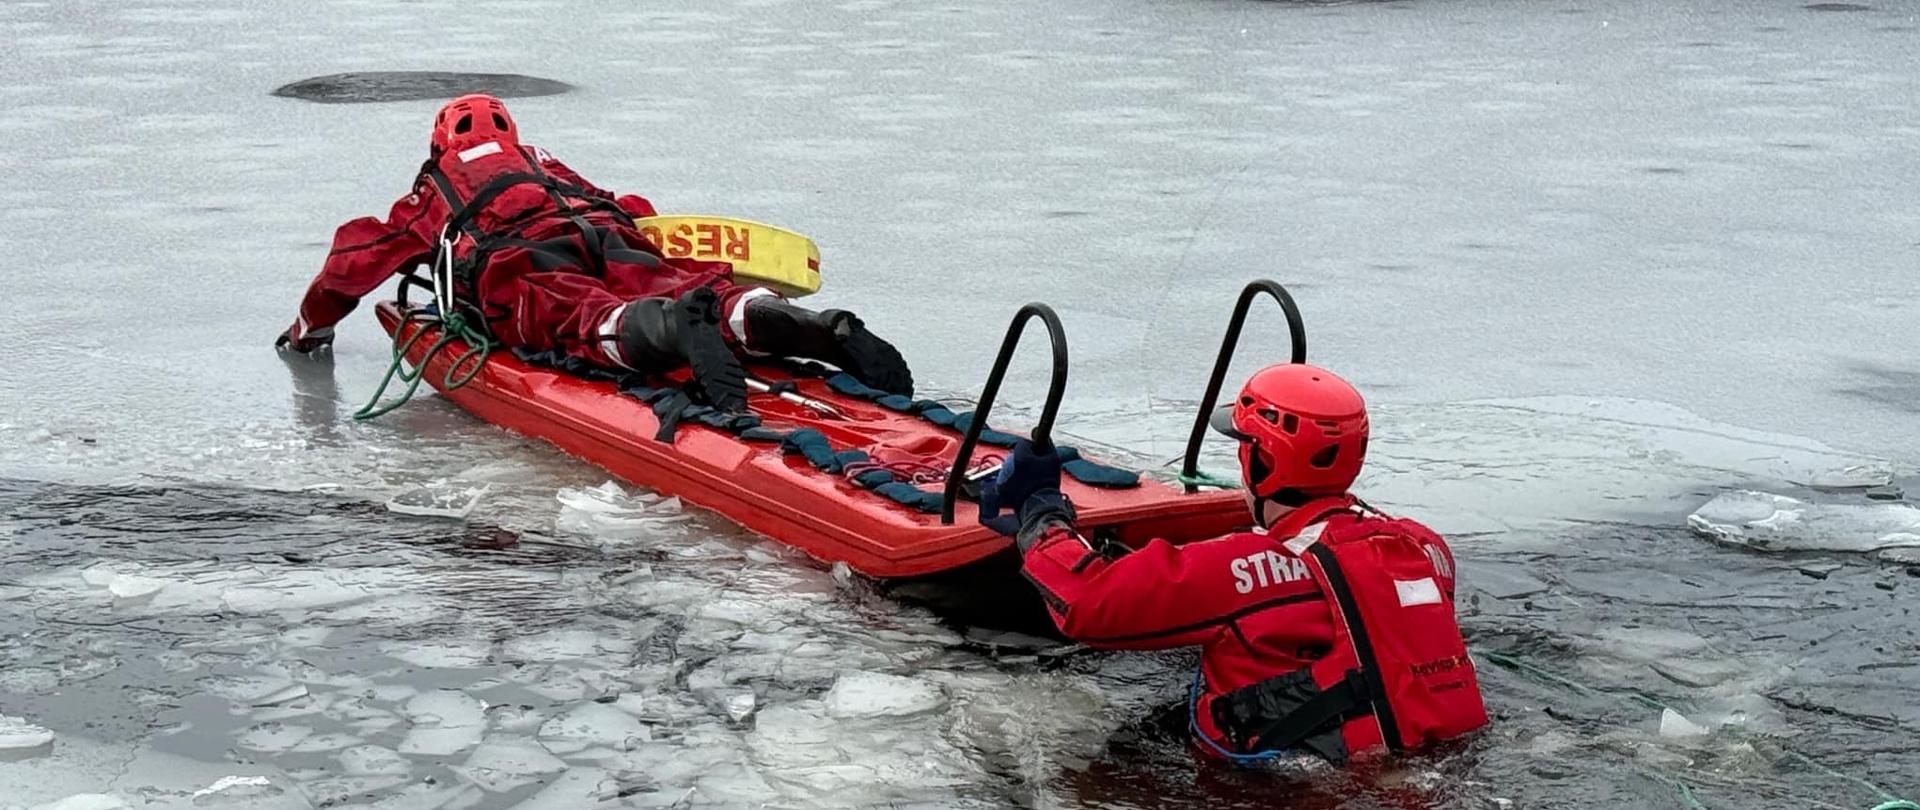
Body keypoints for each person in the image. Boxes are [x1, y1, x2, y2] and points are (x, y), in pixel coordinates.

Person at [979, 363, 1487, 765]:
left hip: (1291, 784)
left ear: (1262, 461)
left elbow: (1090, 603)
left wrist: (1042, 518)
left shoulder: (1245, 568)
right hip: (1433, 760)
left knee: (1087, 771)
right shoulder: (1422, 546)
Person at [274, 94, 912, 411]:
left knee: (584, 317)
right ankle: (795, 322)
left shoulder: (434, 189)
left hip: (520, 263)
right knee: (680, 286)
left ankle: (671, 329)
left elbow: (352, 262)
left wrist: (308, 332)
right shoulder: (544, 164)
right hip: (601, 227)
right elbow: (629, 205)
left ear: (439, 144)